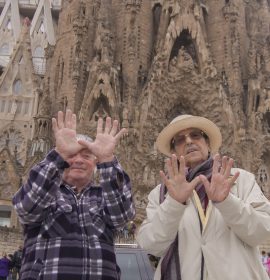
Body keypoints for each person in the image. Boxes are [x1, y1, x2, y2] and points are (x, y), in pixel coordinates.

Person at [136, 114, 270, 280]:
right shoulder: (162, 193)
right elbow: (151, 244)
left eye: (195, 135)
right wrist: (174, 204)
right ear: (173, 152)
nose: (189, 141)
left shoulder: (240, 179)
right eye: (180, 140)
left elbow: (263, 232)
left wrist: (227, 202)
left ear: (207, 143)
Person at [13, 110, 135, 280]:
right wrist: (58, 155)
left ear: (95, 163)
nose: (78, 160)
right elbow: (26, 208)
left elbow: (122, 216)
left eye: (86, 156)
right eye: (71, 155)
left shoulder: (103, 197)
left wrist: (108, 160)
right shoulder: (47, 193)